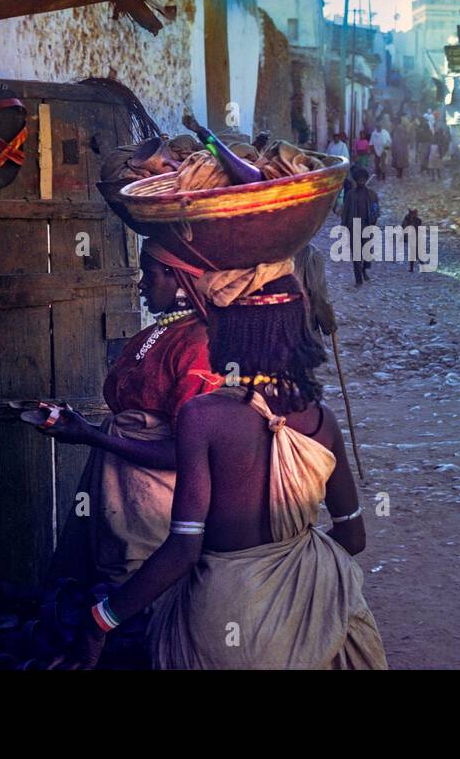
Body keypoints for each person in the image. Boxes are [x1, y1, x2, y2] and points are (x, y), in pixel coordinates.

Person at [56, 273, 387, 669]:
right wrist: (295, 571)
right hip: (315, 623)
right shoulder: (321, 420)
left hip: (218, 625)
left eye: (217, 322)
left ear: (232, 334)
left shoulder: (203, 418)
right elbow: (353, 536)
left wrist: (99, 621)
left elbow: (183, 550)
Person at [40, 242, 218, 585]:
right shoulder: (155, 335)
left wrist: (93, 436)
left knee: (139, 594)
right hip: (121, 494)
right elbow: (134, 428)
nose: (140, 285)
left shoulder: (198, 346)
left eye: (147, 275)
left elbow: (185, 454)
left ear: (176, 275)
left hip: (155, 507)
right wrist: (82, 428)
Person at [340, 164, 378, 287]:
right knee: (356, 254)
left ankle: (364, 269)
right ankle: (358, 280)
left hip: (368, 226)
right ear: (356, 180)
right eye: (359, 179)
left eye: (363, 179)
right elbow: (345, 211)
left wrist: (374, 221)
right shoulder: (350, 195)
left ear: (366, 179)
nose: (361, 181)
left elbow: (376, 209)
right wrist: (344, 226)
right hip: (354, 227)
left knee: (367, 252)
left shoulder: (372, 195)